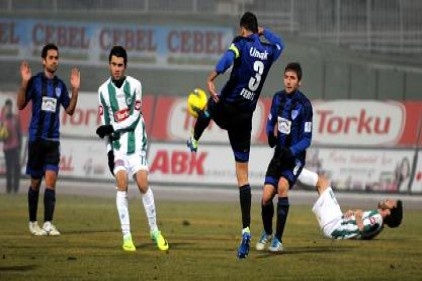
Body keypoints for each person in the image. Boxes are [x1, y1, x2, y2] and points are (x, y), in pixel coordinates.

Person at [186, 11, 284, 259]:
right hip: (245, 119)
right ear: (256, 28)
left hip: (228, 107)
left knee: (207, 107)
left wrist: (212, 77)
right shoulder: (268, 51)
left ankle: (194, 139)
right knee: (243, 177)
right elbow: (280, 44)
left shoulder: (240, 43)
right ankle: (246, 231)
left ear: (242, 29)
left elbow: (227, 59)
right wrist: (265, 32)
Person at [95, 45, 169, 252]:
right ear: (109, 65)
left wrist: (113, 127)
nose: (116, 68)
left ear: (125, 66)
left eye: (120, 65)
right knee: (121, 182)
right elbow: (105, 125)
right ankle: (127, 237)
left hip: (136, 143)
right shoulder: (102, 91)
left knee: (143, 183)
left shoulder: (136, 85)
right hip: (118, 147)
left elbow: (135, 117)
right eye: (113, 64)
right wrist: (109, 152)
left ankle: (154, 231)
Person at [17, 43, 80, 236]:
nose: (55, 61)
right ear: (44, 60)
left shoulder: (60, 85)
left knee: (51, 181)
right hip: (36, 138)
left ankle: (48, 223)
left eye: (57, 58)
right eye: (51, 58)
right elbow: (20, 104)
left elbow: (69, 110)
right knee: (35, 183)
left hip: (53, 140)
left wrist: (75, 89)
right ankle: (33, 222)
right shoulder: (35, 82)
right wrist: (24, 83)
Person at [256, 62, 313, 252]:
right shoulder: (278, 98)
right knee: (265, 197)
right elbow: (270, 121)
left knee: (282, 187)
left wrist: (292, 151)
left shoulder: (305, 105)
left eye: (293, 78)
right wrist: (269, 135)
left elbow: (307, 138)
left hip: (295, 158)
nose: (288, 81)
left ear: (300, 82)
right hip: (279, 154)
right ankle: (267, 232)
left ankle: (278, 240)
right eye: (286, 77)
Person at [304, 168, 403, 240]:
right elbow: (359, 228)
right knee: (320, 186)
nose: (388, 199)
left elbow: (362, 230)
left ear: (389, 212)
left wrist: (358, 215)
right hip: (337, 221)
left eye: (391, 203)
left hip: (334, 226)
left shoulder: (377, 219)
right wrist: (351, 215)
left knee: (322, 182)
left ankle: (292, 168)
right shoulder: (377, 218)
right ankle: (292, 171)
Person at [1, 99, 22, 194]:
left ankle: (16, 189)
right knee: (9, 169)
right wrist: (3, 137)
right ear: (5, 108)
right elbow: (1, 136)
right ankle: (8, 189)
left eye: (10, 106)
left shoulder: (15, 119)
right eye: (7, 107)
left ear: (11, 107)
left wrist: (20, 146)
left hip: (15, 147)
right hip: (7, 148)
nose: (8, 108)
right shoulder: (3, 121)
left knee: (16, 168)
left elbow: (19, 133)